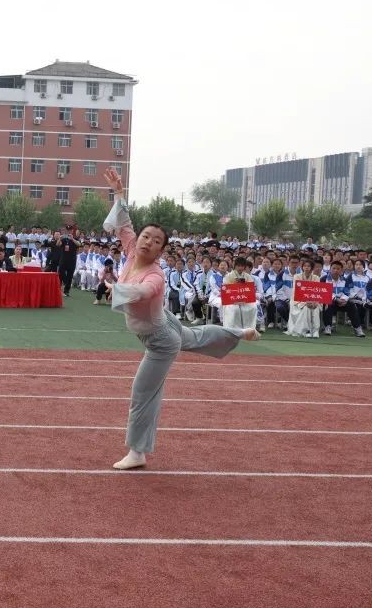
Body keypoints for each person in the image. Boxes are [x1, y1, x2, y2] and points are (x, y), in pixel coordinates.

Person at [100, 168, 256, 471]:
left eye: (156, 240)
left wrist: (117, 290)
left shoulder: (156, 275)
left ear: (161, 250)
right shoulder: (130, 251)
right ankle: (239, 332)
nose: (147, 242)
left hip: (160, 340)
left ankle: (137, 452)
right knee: (196, 337)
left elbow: (144, 291)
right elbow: (124, 223)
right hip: (166, 322)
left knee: (143, 394)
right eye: (145, 236)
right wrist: (119, 193)